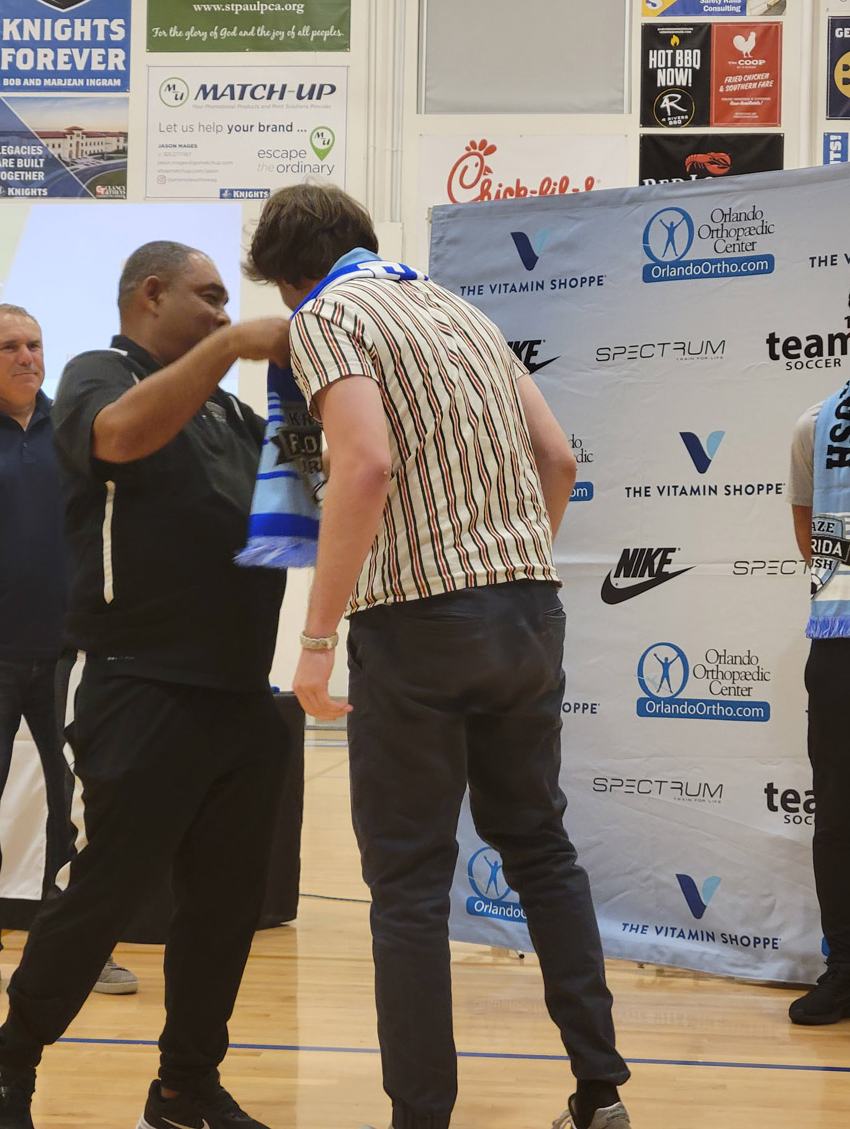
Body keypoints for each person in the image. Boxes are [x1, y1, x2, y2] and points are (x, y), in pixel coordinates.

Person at [245, 185, 632, 1129]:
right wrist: (508, 569)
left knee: (410, 885)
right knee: (541, 850)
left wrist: (315, 641)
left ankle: (421, 1117)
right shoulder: (464, 310)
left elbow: (365, 465)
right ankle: (600, 1092)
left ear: (291, 277)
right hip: (528, 608)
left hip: (418, 623)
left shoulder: (328, 314)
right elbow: (557, 458)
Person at [0, 243, 291, 1129]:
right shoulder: (98, 373)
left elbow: (298, 512)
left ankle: (184, 1088)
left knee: (223, 910)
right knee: (105, 893)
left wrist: (325, 406)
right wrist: (233, 347)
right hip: (139, 681)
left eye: (228, 305)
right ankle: (9, 1060)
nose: (225, 313)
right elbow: (117, 438)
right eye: (209, 297)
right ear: (152, 294)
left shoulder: (233, 414)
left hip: (241, 691)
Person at [0, 303, 136, 999]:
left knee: (78, 806)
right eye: (9, 347)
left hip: (71, 651)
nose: (27, 356)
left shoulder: (76, 429)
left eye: (34, 344)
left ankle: (77, 947)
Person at [786, 380, 850, 1025]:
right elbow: (811, 536)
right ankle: (847, 971)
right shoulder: (817, 424)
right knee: (837, 816)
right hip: (841, 640)